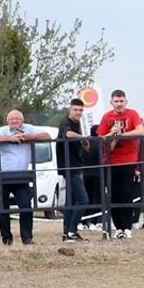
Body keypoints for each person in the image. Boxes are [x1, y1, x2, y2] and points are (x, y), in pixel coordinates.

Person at [0, 109, 50, 245]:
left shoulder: (29, 129)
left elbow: (47, 136)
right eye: (11, 119)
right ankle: (7, 239)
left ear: (22, 120)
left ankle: (27, 238)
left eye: (17, 119)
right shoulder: (3, 130)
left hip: (21, 176)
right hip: (1, 175)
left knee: (26, 206)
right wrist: (9, 139)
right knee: (3, 208)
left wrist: (30, 137)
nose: (14, 121)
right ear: (7, 122)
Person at [96, 90, 144, 239]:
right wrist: (112, 134)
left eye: (121, 101)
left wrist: (121, 135)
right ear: (111, 102)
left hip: (127, 160)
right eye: (116, 101)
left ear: (126, 102)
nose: (119, 104)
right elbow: (100, 138)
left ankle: (127, 227)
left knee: (126, 194)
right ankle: (118, 228)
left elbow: (140, 131)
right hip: (110, 161)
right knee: (113, 195)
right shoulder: (107, 117)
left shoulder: (132, 114)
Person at [58, 98, 89, 242]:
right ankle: (71, 231)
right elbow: (68, 134)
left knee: (72, 201)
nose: (78, 112)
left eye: (81, 110)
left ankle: (68, 233)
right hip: (69, 167)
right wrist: (83, 138)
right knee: (83, 200)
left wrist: (83, 144)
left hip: (75, 165)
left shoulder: (78, 123)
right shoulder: (66, 122)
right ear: (69, 110)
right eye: (75, 109)